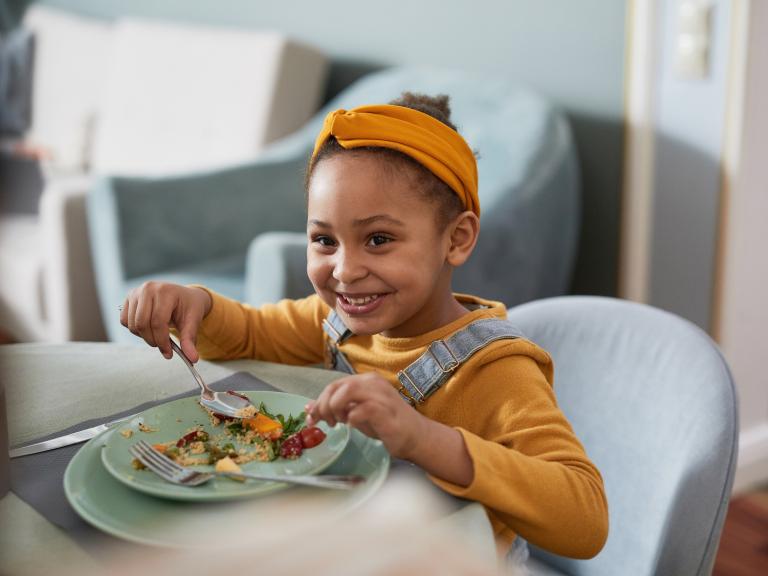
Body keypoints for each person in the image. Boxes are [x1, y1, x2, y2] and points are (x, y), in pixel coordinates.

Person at [121, 92, 608, 559]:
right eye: (324, 239)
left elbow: (585, 518)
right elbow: (247, 333)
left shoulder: (496, 371)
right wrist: (195, 304)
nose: (345, 270)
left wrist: (422, 439)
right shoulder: (336, 322)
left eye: (378, 239)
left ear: (456, 239)